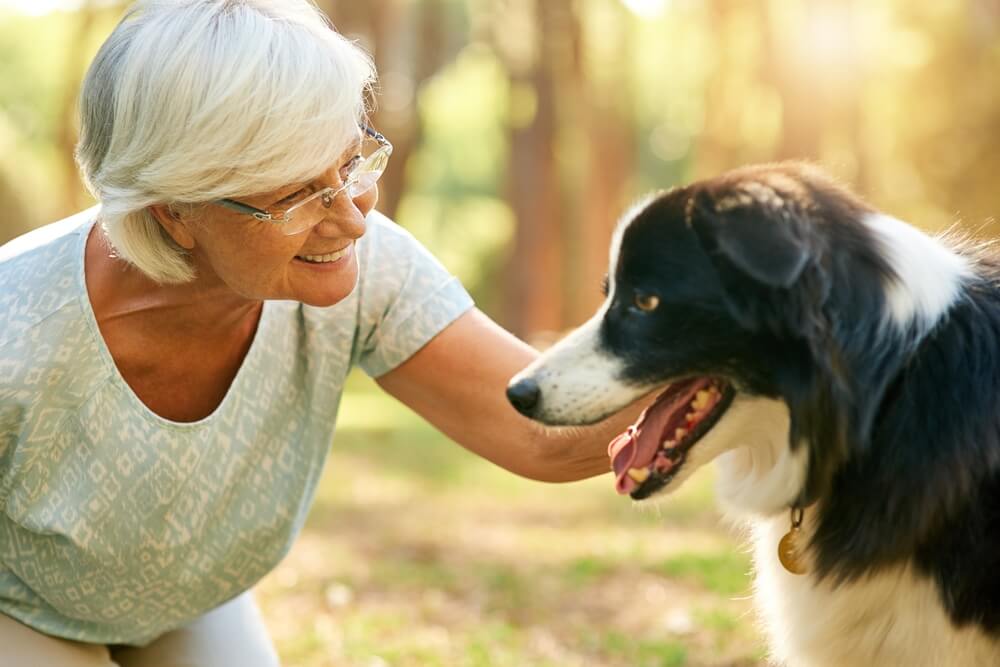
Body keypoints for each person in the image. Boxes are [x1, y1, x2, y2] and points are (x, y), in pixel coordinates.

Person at [0, 1, 639, 665]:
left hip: (183, 601)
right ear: (175, 213)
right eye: (296, 196)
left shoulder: (366, 268)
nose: (353, 220)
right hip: (17, 607)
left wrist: (729, 367)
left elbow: (541, 432)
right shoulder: (14, 330)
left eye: (350, 160)